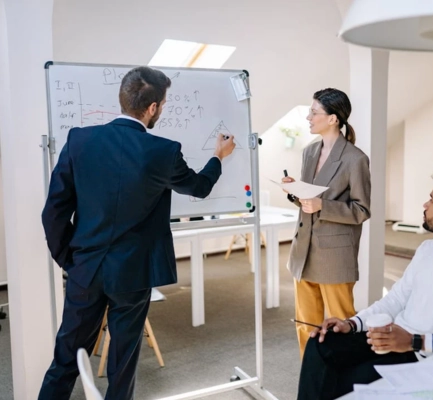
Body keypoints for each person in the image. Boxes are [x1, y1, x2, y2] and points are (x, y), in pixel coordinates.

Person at [39, 66, 235, 400]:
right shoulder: (163, 151)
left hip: (86, 268)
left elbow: (53, 211)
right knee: (122, 365)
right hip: (133, 272)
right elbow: (199, 189)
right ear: (153, 107)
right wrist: (218, 156)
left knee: (65, 360)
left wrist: (70, 260)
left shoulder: (80, 140)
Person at [297, 166, 433, 400]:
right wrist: (352, 324)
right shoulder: (427, 249)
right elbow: (396, 299)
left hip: (423, 354)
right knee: (322, 342)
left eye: (431, 200)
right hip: (392, 337)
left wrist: (414, 341)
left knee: (341, 380)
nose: (425, 205)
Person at [282, 88, 371, 358]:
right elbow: (309, 200)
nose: (308, 117)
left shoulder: (356, 159)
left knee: (341, 325)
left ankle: (344, 382)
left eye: (314, 112)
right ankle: (312, 377)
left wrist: (323, 205)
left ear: (333, 119)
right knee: (305, 325)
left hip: (334, 256)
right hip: (303, 251)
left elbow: (361, 210)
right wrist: (295, 191)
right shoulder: (309, 152)